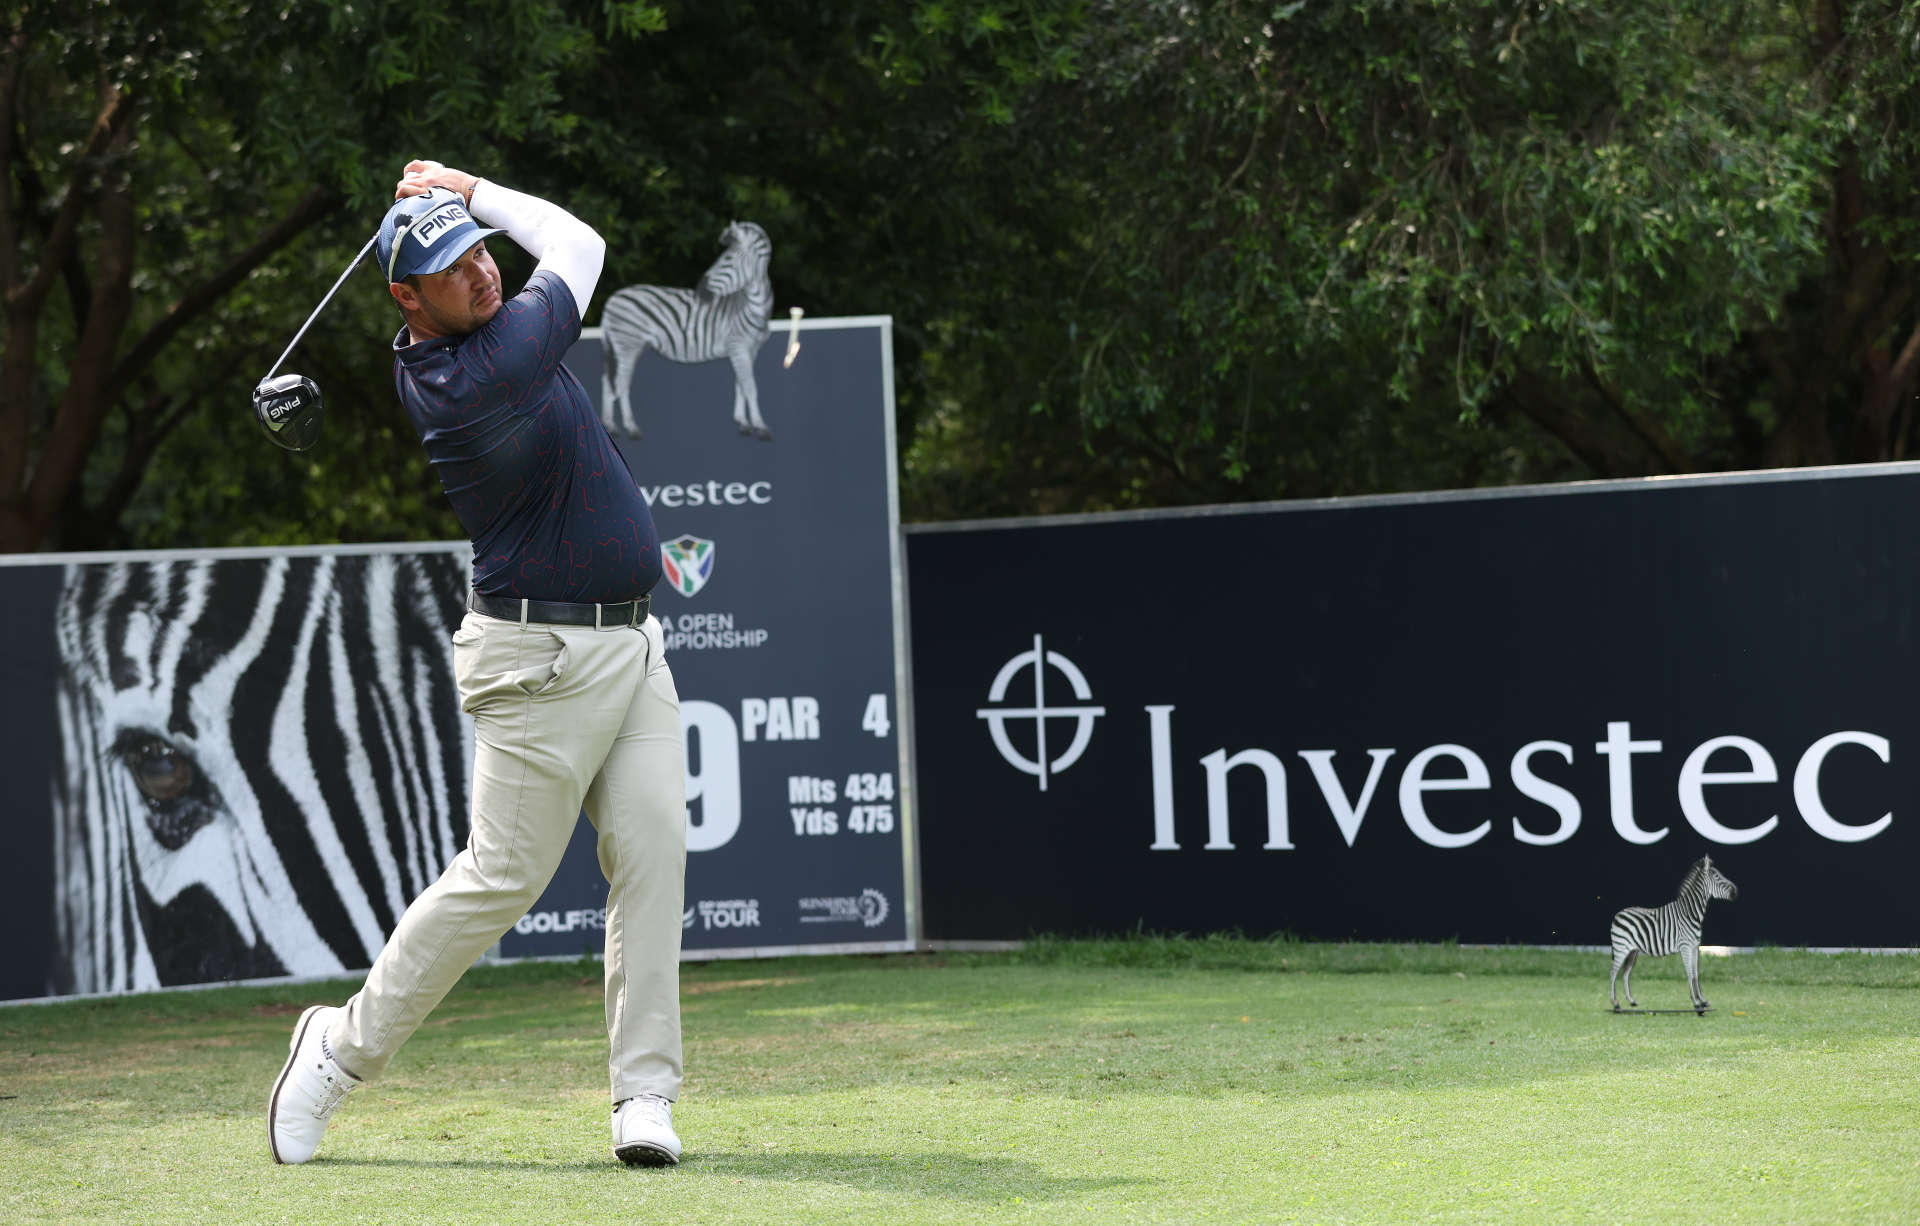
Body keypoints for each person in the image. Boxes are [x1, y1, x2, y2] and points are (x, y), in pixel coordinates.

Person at [267, 160, 687, 1167]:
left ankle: (644, 1093)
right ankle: (335, 1052)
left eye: (479, 249)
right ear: (408, 297)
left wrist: (456, 204)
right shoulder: (470, 375)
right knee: (500, 875)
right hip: (538, 660)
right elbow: (580, 245)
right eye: (452, 267)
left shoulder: (483, 332)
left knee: (655, 848)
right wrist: (472, 184)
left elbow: (543, 260)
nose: (482, 271)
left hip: (631, 643)